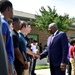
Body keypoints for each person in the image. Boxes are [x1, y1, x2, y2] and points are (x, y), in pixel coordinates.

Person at [0, 1, 15, 75]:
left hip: (9, 61)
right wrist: (9, 68)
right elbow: (3, 48)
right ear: (9, 9)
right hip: (6, 62)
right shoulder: (3, 24)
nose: (13, 11)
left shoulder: (4, 23)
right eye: (12, 9)